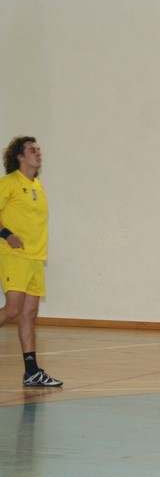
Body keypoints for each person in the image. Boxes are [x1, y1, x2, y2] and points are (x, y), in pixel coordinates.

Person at [0, 136, 62, 387]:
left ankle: (32, 372)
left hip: (35, 257)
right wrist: (6, 234)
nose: (38, 153)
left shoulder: (38, 185)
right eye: (32, 150)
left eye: (39, 149)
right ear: (20, 156)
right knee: (13, 309)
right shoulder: (9, 183)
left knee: (29, 314)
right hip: (14, 255)